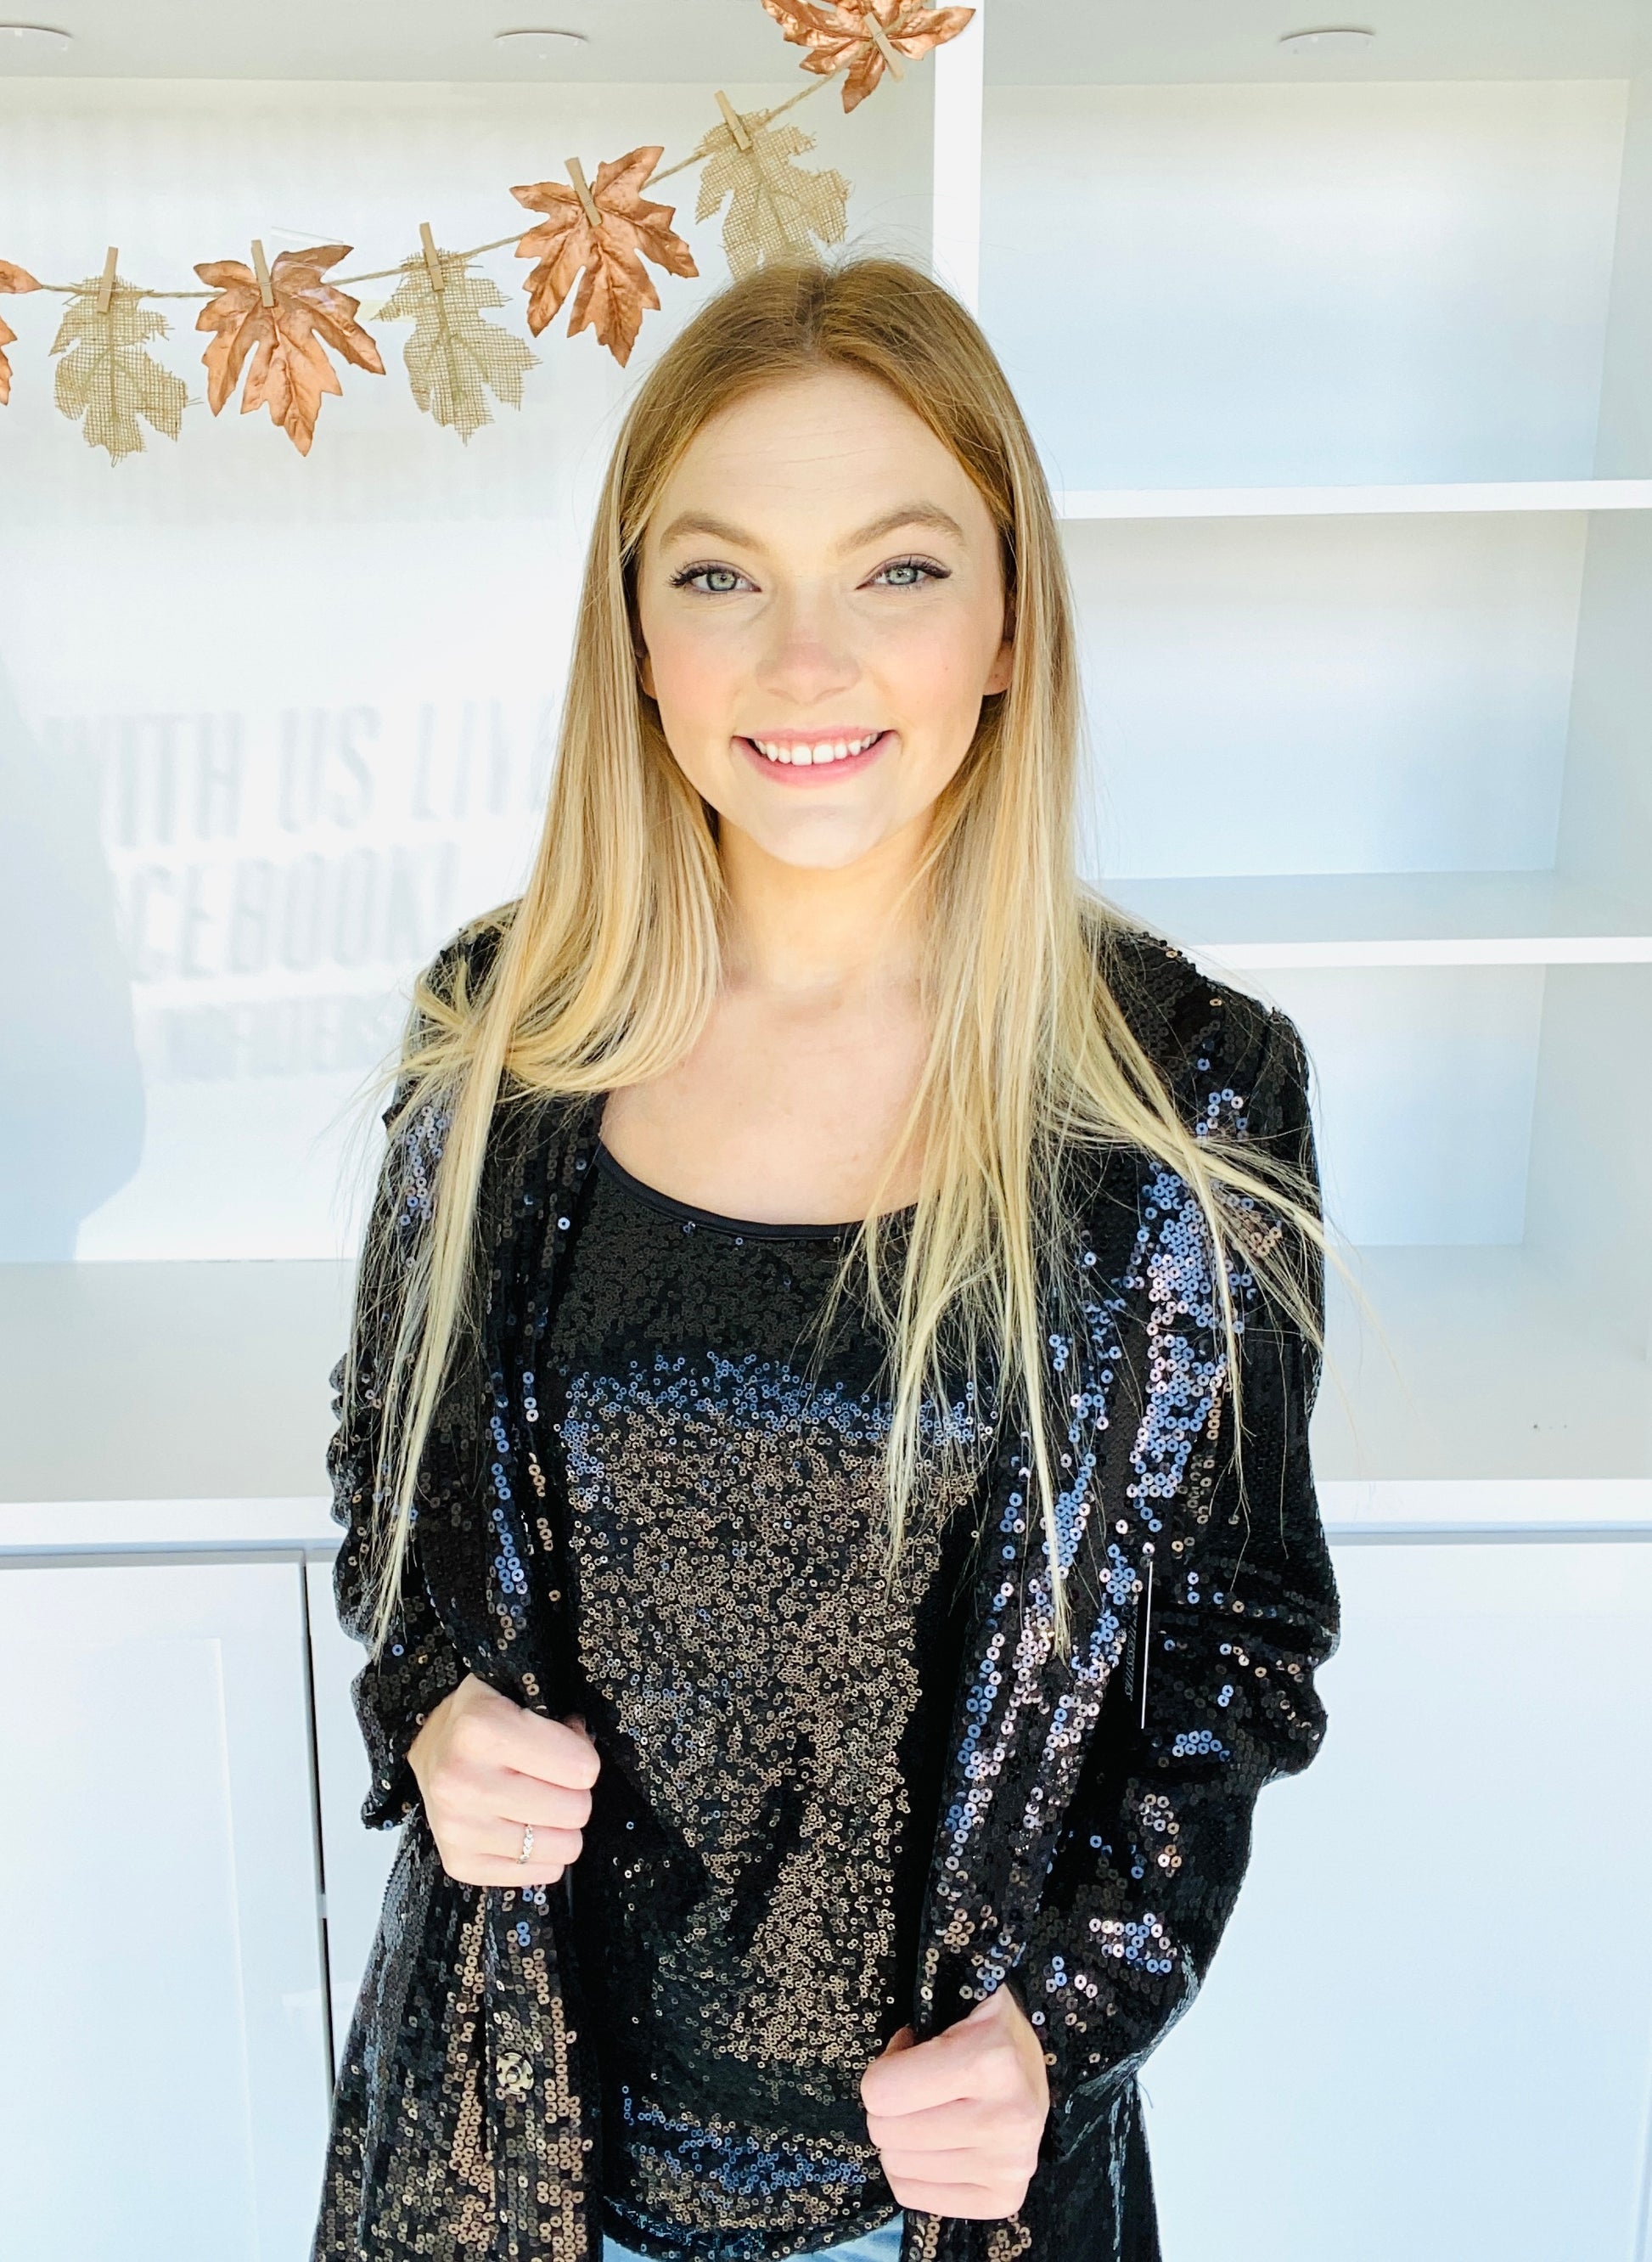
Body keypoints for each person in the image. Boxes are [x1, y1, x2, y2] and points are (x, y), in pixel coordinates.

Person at [310, 254, 1340, 2262]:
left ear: (1008, 624)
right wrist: (428, 1709)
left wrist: (1064, 2022)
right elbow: (390, 1482)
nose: (804, 662)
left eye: (897, 571)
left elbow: (1233, 1645)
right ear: (634, 631)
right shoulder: (497, 1031)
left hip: (933, 2204)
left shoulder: (1186, 1090)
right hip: (505, 2169)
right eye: (719, 576)